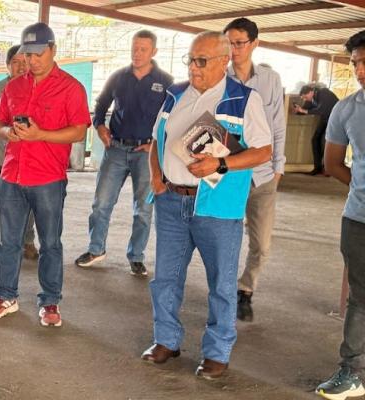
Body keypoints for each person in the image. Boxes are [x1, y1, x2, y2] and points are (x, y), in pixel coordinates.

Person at [141, 31, 272, 379]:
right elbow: (157, 139)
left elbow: (263, 151)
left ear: (223, 61)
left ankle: (217, 352)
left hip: (217, 206)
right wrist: (156, 175)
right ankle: (166, 340)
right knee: (165, 278)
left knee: (222, 284)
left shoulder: (243, 99)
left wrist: (221, 164)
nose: (194, 68)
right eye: (190, 59)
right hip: (171, 201)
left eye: (201, 61)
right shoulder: (176, 94)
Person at [0, 22, 91, 327]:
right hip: (11, 176)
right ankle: (5, 295)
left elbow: (79, 131)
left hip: (47, 178)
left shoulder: (71, 88)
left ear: (53, 50)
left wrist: (40, 134)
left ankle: (50, 301)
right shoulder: (14, 86)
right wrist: (8, 133)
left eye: (38, 53)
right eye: (27, 54)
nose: (31, 61)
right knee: (9, 241)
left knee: (50, 242)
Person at [74, 30, 173, 276]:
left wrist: (156, 144)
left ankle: (136, 256)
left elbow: (174, 117)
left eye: (143, 49)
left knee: (143, 209)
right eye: (134, 48)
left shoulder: (166, 81)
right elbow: (101, 105)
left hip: (146, 154)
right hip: (116, 148)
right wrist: (99, 126)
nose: (137, 53)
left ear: (154, 52)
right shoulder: (118, 77)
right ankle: (96, 249)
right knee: (101, 204)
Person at [222, 17, 287, 322]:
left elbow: (277, 125)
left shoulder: (270, 80)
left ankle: (245, 289)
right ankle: (222, 289)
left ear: (254, 44)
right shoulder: (218, 77)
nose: (233, 49)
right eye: (229, 43)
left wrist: (278, 168)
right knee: (224, 236)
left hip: (262, 174)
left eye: (239, 43)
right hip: (229, 170)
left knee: (261, 242)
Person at [315, 30, 365, 400]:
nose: (359, 69)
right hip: (359, 219)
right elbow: (332, 163)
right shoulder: (346, 109)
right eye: (355, 63)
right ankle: (351, 372)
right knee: (360, 299)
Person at [0, 44, 38, 263]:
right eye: (16, 62)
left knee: (31, 202)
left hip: (32, 160)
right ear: (7, 65)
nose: (21, 66)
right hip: (3, 161)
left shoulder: (37, 87)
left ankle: (28, 241)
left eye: (25, 61)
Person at [295, 83, 339, 175]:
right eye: (303, 98)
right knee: (315, 139)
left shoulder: (324, 93)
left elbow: (322, 110)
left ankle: (327, 168)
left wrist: (304, 111)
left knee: (326, 142)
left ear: (311, 92)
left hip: (336, 119)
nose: (305, 99)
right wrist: (298, 110)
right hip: (325, 118)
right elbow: (305, 110)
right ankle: (317, 167)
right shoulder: (310, 98)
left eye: (305, 97)